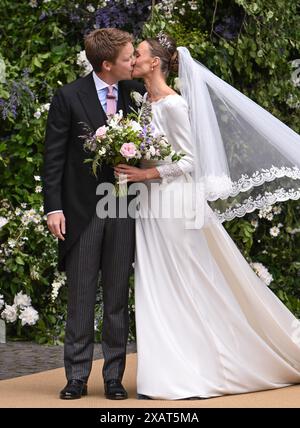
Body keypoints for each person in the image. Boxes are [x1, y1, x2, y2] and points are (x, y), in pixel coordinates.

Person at [114, 33, 300, 400]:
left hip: (174, 204)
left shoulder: (173, 105)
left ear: (155, 63)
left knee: (188, 279)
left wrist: (144, 174)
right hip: (150, 204)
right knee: (159, 282)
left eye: (138, 54)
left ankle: (206, 365)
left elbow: (189, 161)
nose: (133, 59)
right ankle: (168, 370)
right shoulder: (145, 105)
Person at [43, 28, 145, 400]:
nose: (133, 61)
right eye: (128, 57)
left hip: (123, 207)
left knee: (117, 297)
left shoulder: (137, 96)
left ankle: (114, 377)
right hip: (81, 212)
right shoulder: (68, 97)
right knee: (81, 298)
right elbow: (53, 157)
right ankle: (76, 377)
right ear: (107, 64)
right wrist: (53, 207)